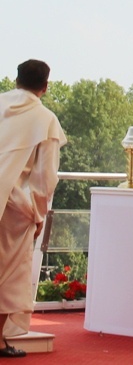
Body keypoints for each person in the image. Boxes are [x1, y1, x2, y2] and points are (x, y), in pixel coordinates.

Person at [0, 59, 67, 358]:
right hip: (11, 202)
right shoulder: (45, 119)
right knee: (8, 274)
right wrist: (38, 212)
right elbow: (44, 177)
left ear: (16, 80)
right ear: (45, 86)